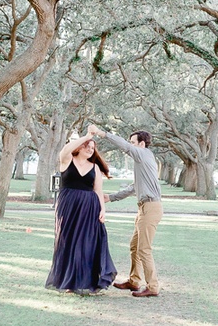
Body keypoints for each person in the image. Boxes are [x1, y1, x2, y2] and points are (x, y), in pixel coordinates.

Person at [88, 125, 162, 297]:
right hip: (143, 208)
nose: (130, 145)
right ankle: (134, 281)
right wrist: (110, 197)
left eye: (133, 142)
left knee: (144, 249)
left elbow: (125, 146)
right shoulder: (142, 163)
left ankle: (153, 286)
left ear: (142, 144)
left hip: (151, 207)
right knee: (134, 246)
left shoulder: (143, 154)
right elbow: (133, 188)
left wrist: (102, 133)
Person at [45, 132, 117, 295]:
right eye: (88, 146)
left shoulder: (95, 168)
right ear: (79, 146)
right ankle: (69, 282)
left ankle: (88, 282)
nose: (91, 150)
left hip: (89, 207)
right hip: (68, 206)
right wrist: (87, 135)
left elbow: (98, 190)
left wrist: (102, 210)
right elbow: (64, 151)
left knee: (86, 244)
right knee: (68, 242)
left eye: (93, 148)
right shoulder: (67, 160)